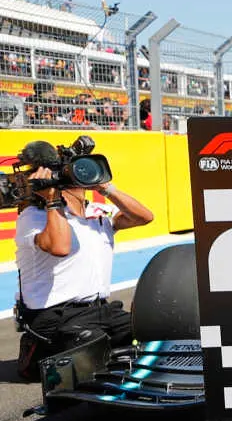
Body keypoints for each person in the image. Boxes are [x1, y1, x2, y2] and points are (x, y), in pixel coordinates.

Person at [11, 141, 155, 381]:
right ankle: (36, 354)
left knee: (153, 333)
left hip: (100, 309)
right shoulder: (34, 216)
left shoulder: (99, 212)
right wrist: (52, 199)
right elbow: (60, 247)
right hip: (55, 317)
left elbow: (145, 217)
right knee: (96, 353)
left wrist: (107, 187)